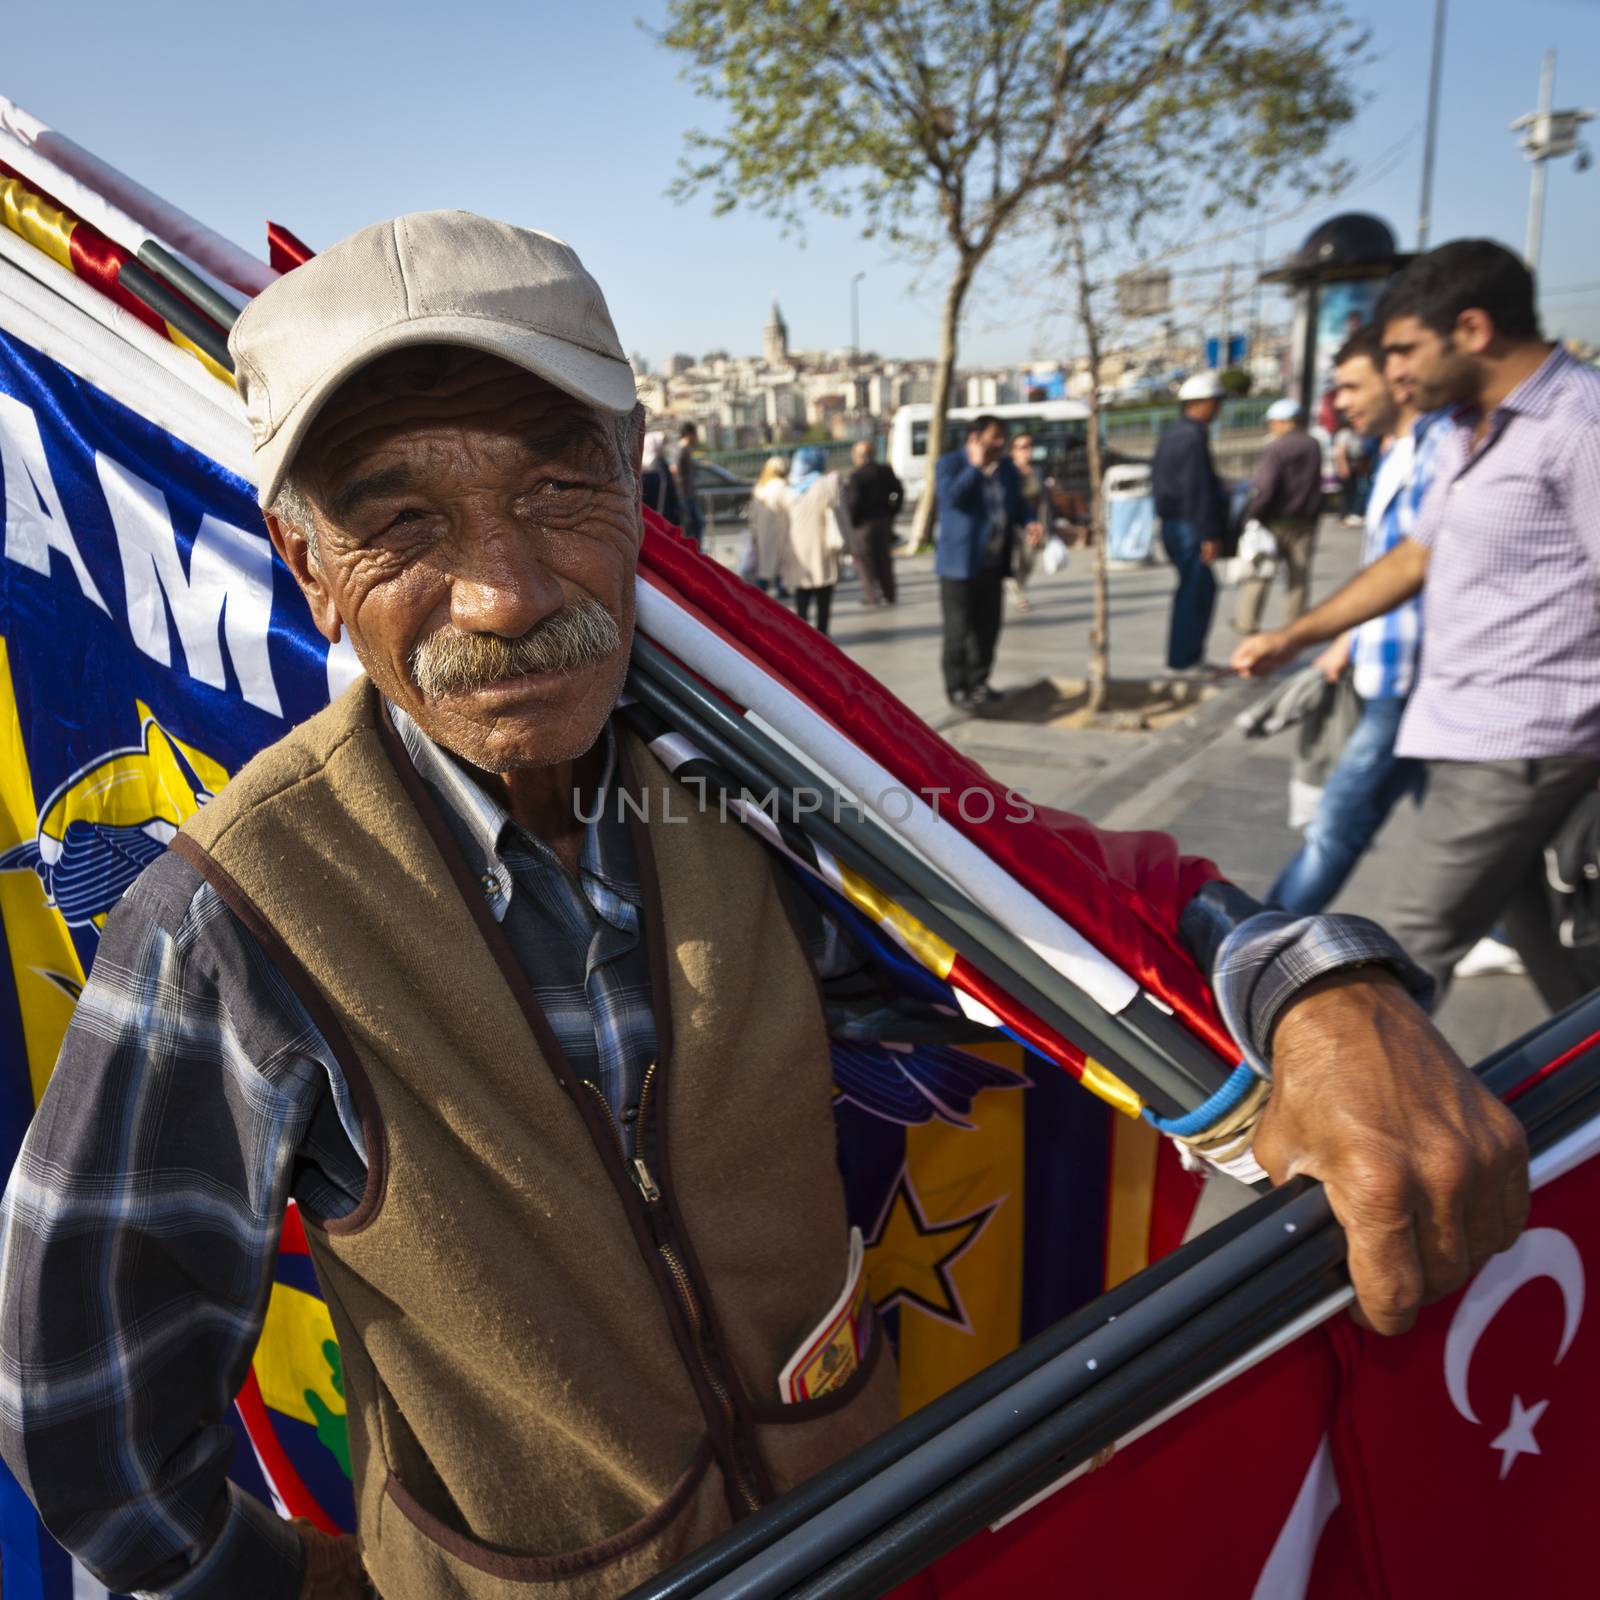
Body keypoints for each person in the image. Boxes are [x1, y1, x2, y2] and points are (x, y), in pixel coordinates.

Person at [0, 212, 1528, 1600]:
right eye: (400, 521)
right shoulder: (236, 919)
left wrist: (1325, 994)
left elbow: (1072, 910)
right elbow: (87, 1407)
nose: (506, 591)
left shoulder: (760, 796)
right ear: (307, 564)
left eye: (553, 484)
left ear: (638, 480)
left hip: (881, 1533)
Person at [1235, 239, 1600, 1010]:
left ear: (1472, 329)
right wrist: (1294, 637)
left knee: (1398, 960)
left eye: (1404, 349)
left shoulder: (1577, 425)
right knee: (1543, 946)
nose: (1396, 370)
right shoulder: (1474, 429)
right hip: (1461, 727)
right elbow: (1412, 559)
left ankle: (1363, 1127)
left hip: (1523, 740)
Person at [1249, 325, 1443, 914]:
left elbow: (1414, 567)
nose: (1343, 403)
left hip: (1413, 681)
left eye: (1354, 387)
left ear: (1399, 378)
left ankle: (1258, 942)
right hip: (1389, 671)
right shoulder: (1394, 452)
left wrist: (1295, 636)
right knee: (1466, 828)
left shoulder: (1440, 452)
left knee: (1337, 826)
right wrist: (1349, 641)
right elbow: (1388, 569)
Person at [935, 415, 1040, 710]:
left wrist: (1030, 521)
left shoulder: (1006, 467)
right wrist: (975, 467)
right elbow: (951, 499)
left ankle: (979, 682)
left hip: (993, 564)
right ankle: (957, 688)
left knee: (988, 628)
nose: (1000, 443)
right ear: (975, 437)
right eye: (994, 437)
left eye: (1001, 437)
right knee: (958, 631)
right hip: (959, 566)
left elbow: (1017, 504)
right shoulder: (951, 464)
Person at [1151, 371, 1229, 672]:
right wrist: (1209, 533)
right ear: (1199, 404)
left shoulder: (1173, 433)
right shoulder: (1192, 436)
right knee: (1196, 590)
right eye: (1214, 403)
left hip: (1175, 522)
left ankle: (1186, 656)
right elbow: (1197, 489)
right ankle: (1185, 659)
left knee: (1195, 588)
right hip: (1188, 524)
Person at [1235, 398, 1325, 634]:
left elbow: (1266, 486)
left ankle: (1247, 622)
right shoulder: (1312, 444)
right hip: (1305, 520)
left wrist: (1253, 514)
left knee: (1260, 573)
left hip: (1274, 521)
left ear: (1286, 422)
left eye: (1273, 422)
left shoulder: (1276, 448)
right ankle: (1294, 625)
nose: (1271, 426)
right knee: (1299, 576)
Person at [782, 444, 843, 633]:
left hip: (797, 549)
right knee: (824, 594)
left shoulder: (789, 488)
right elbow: (839, 509)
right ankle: (823, 634)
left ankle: (803, 635)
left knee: (802, 595)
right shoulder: (826, 484)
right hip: (821, 546)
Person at [844, 438, 904, 606]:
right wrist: (892, 511)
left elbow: (854, 502)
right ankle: (889, 593)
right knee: (884, 560)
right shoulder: (885, 471)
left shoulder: (856, 476)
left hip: (863, 525)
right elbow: (898, 491)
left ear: (860, 457)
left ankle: (872, 595)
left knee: (865, 561)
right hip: (883, 521)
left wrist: (853, 521)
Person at [1006, 432, 1054, 613]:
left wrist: (1046, 523)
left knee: (1029, 560)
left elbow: (1043, 500)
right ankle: (1018, 595)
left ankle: (1019, 586)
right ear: (1013, 451)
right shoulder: (1008, 472)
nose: (1028, 450)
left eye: (1030, 446)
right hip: (1012, 524)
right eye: (1023, 447)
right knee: (1013, 560)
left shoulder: (1037, 471)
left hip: (1033, 522)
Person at [747, 453, 791, 595]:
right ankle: (781, 587)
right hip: (781, 528)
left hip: (762, 530)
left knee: (764, 563)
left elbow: (753, 513)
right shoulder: (783, 486)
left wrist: (753, 530)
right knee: (781, 561)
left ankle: (761, 590)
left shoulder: (760, 487)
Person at [672, 421, 704, 548]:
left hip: (688, 494)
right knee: (695, 525)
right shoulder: (682, 449)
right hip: (685, 495)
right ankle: (695, 551)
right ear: (689, 434)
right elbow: (675, 469)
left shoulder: (683, 449)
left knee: (695, 525)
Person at [640, 428, 682, 526]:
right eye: (662, 444)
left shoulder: (659, 463)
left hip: (661, 515)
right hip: (657, 516)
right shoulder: (654, 466)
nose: (663, 447)